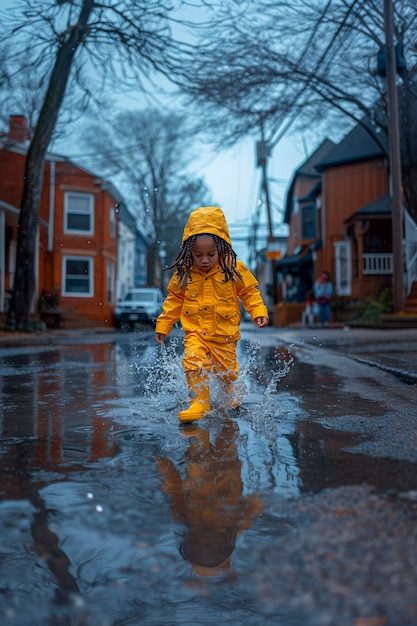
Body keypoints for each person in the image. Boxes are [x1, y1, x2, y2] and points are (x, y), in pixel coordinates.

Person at [155, 205, 269, 423]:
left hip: (224, 335)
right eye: (198, 255)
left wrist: (258, 311)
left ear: (223, 248)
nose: (204, 260)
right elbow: (174, 300)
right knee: (193, 360)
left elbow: (249, 292)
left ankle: (229, 395)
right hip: (195, 332)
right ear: (189, 251)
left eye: (211, 254)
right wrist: (164, 325)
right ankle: (199, 402)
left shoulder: (233, 268)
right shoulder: (185, 272)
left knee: (227, 372)